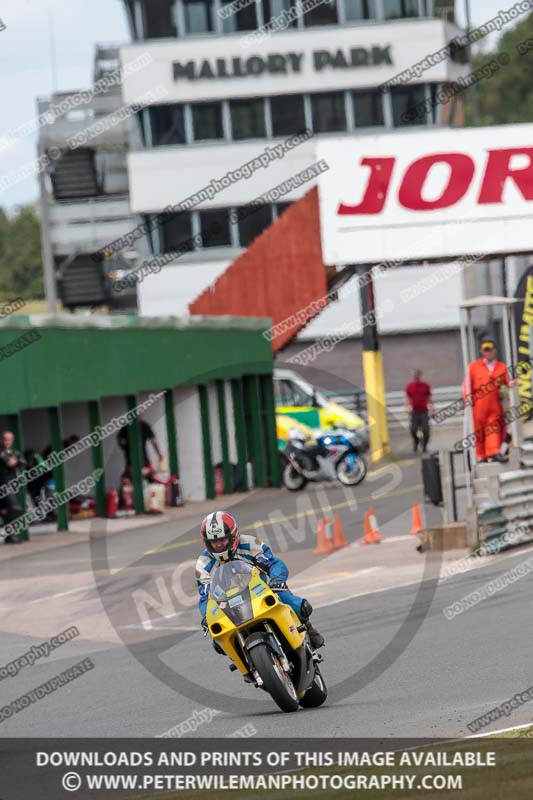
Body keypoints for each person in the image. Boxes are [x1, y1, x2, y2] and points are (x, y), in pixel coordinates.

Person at [196, 510, 324, 650]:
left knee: (297, 605)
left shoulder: (250, 544)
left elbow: (274, 564)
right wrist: (206, 616)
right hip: (227, 603)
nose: (219, 545)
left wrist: (276, 579)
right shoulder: (203, 564)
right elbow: (205, 597)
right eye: (214, 541)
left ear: (233, 536)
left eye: (222, 539)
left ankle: (308, 629)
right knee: (218, 643)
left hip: (261, 590)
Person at [465, 339, 515, 463]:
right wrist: (467, 398)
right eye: (485, 350)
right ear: (482, 352)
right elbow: (467, 384)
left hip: (494, 402)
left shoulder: (501, 366)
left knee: (493, 428)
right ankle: (481, 456)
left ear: (494, 351)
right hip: (478, 403)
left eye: (490, 350)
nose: (488, 353)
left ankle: (493, 452)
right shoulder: (473, 366)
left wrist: (512, 383)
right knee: (479, 430)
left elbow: (507, 382)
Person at [0, 431, 26, 544]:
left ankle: (10, 536)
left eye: (9, 440)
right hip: (2, 484)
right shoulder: (1, 452)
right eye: (5, 439)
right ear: (1, 440)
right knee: (15, 508)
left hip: (13, 483)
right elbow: (7, 462)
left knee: (6, 511)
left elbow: (22, 461)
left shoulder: (13, 452)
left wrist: (16, 461)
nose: (7, 442)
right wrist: (14, 461)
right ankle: (11, 533)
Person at [405, 370, 433, 453]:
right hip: (414, 412)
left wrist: (432, 408)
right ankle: (416, 443)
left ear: (420, 376)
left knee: (425, 429)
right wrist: (407, 407)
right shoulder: (410, 386)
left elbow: (429, 398)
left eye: (417, 376)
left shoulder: (425, 386)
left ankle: (424, 446)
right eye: (414, 377)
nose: (416, 378)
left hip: (424, 411)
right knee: (413, 429)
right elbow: (407, 398)